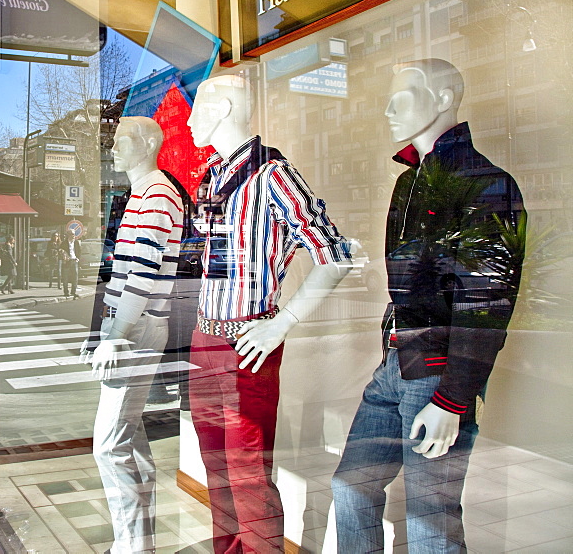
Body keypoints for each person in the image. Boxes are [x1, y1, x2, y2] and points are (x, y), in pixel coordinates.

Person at [331, 59, 525, 552]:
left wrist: (453, 398)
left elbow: (487, 302)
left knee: (430, 518)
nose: (389, 109)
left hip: (437, 370)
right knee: (351, 485)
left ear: (442, 100)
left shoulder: (484, 182)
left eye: (404, 97)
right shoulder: (408, 183)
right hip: (397, 359)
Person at [187, 74, 351, 553]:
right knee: (215, 468)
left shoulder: (272, 175)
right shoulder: (211, 179)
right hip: (204, 341)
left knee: (248, 475)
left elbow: (335, 254)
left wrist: (282, 324)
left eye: (198, 109)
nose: (193, 121)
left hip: (246, 345)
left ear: (220, 109)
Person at [80, 116, 184, 554]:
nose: (114, 148)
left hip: (137, 329)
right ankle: (138, 543)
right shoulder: (142, 194)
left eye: (122, 141)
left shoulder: (158, 194)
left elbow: (143, 274)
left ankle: (131, 546)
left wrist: (117, 333)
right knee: (129, 439)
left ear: (146, 145)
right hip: (131, 326)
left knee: (109, 446)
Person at [60, 228, 83, 298]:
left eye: (74, 234)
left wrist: (78, 258)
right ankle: (66, 292)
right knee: (65, 277)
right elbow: (60, 251)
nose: (73, 236)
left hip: (74, 260)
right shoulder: (64, 243)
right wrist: (64, 257)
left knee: (75, 277)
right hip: (66, 261)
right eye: (72, 234)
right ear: (68, 235)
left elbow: (79, 251)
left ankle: (73, 292)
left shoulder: (76, 242)